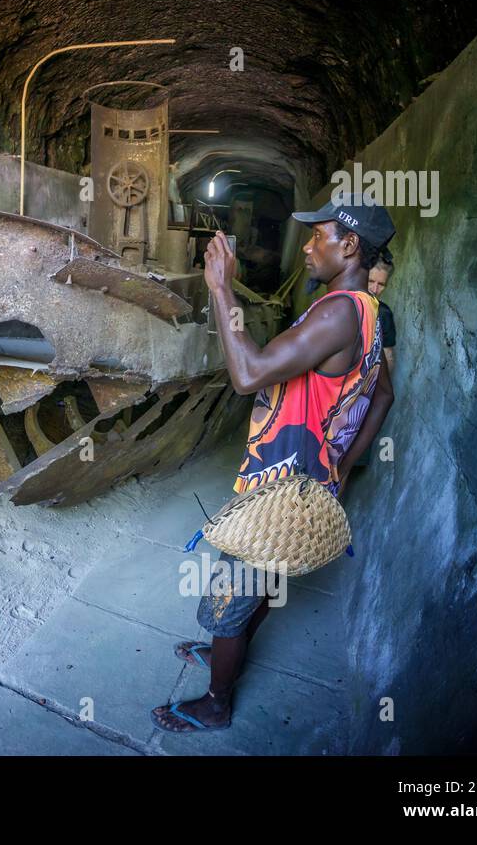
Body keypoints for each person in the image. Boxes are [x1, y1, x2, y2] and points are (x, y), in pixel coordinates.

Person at [151, 192, 396, 733]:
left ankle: (216, 702)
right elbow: (383, 397)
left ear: (349, 245)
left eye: (319, 237)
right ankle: (224, 651)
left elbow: (248, 374)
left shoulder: (337, 313)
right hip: (311, 477)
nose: (307, 248)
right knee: (262, 580)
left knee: (229, 597)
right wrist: (342, 467)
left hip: (281, 485)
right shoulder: (373, 314)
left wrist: (219, 287)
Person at [367, 257, 397, 373]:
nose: (375, 289)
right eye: (370, 281)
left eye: (381, 284)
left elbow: (388, 357)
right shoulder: (341, 301)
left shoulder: (384, 314)